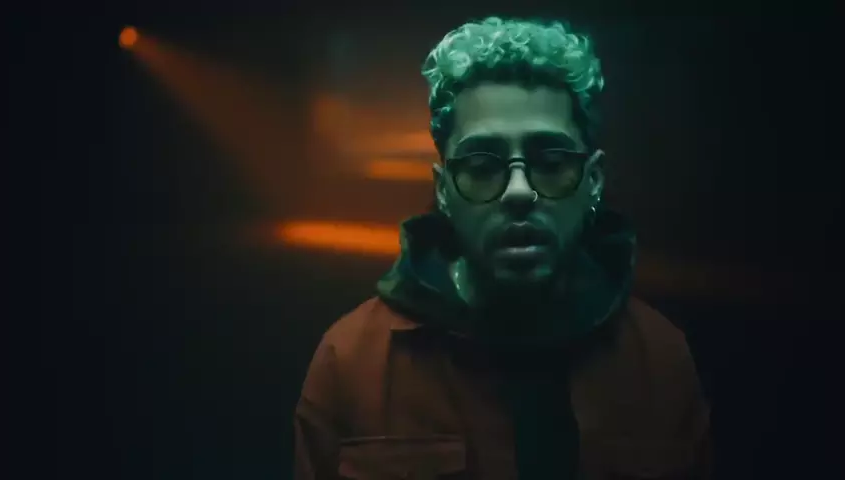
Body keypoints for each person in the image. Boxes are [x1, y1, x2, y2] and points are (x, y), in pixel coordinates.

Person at [294, 17, 710, 479]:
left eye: (550, 160)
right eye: (481, 164)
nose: (519, 191)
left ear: (593, 181)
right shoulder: (354, 362)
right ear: (443, 190)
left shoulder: (659, 359)